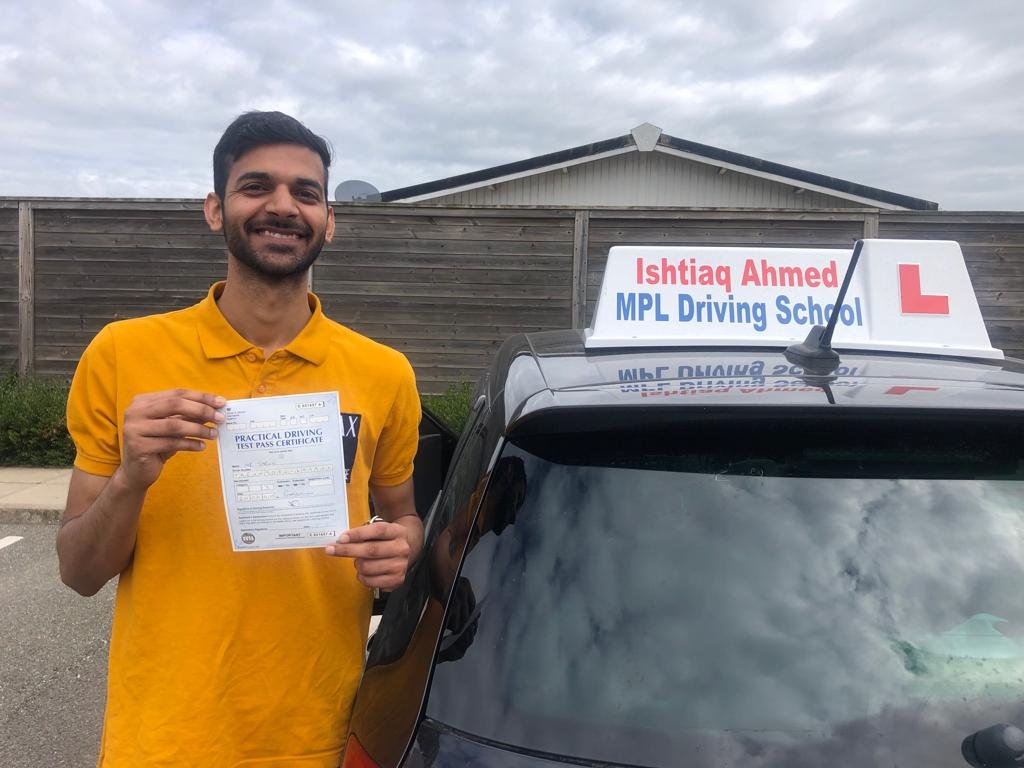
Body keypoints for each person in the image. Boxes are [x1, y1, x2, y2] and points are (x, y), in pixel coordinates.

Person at [56, 111, 422, 767]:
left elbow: (406, 521)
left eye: (305, 193)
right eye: (257, 186)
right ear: (216, 209)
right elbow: (79, 571)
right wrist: (131, 478)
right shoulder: (122, 354)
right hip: (162, 742)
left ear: (329, 221)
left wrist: (400, 552)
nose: (283, 206)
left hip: (320, 739)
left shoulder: (384, 373)